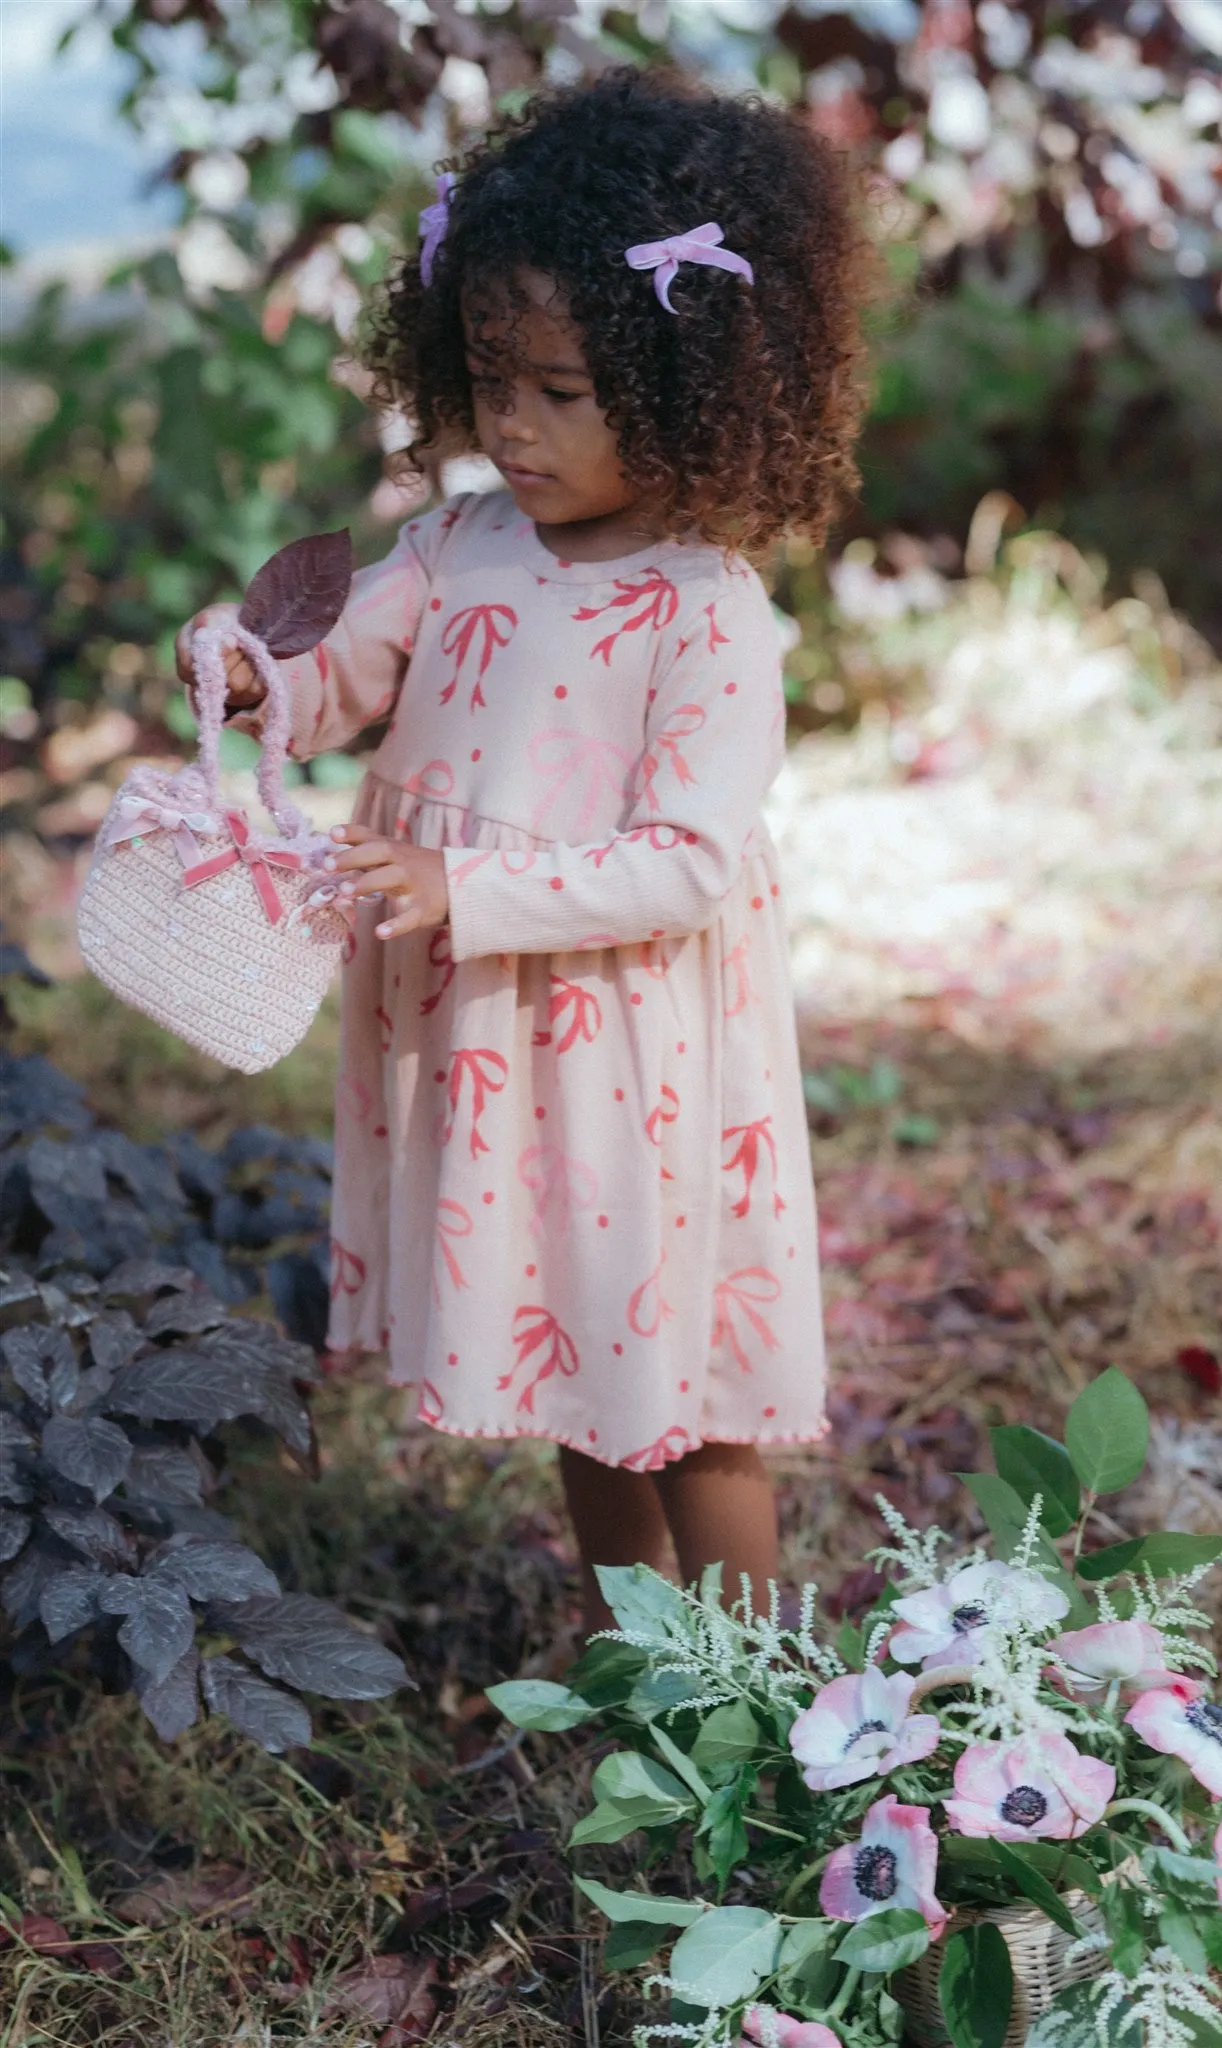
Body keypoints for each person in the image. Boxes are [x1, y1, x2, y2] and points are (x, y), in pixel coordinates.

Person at [177, 68, 867, 1635]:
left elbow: (689, 858)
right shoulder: (460, 542)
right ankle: (649, 1659)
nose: (514, 423)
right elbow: (348, 676)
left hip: (628, 1042)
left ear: (688, 382)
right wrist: (257, 676)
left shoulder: (704, 606)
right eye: (492, 377)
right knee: (573, 1352)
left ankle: (757, 1683)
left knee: (678, 1379)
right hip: (493, 1038)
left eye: (565, 389)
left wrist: (463, 888)